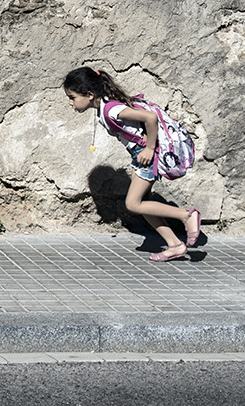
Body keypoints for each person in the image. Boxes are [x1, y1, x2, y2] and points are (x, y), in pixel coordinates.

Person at [63, 66, 201, 261]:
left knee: (133, 204)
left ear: (89, 94)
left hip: (146, 155)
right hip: (139, 155)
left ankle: (186, 215)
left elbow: (150, 118)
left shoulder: (112, 110)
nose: (70, 103)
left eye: (72, 97)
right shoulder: (104, 108)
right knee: (143, 204)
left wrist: (150, 148)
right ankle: (174, 244)